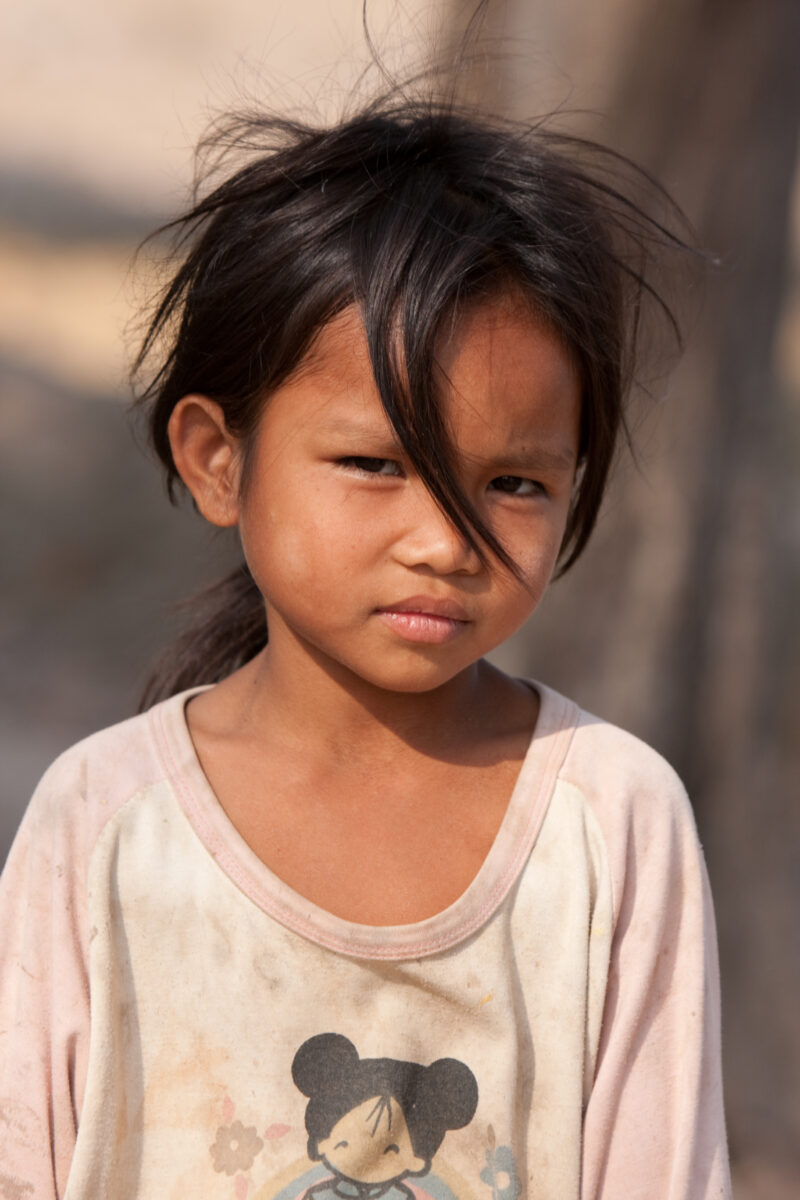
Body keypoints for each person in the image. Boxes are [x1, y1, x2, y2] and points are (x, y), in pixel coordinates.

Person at [0, 87, 731, 1199]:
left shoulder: (611, 826)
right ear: (218, 461)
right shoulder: (102, 827)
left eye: (513, 483)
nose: (444, 543)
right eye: (375, 465)